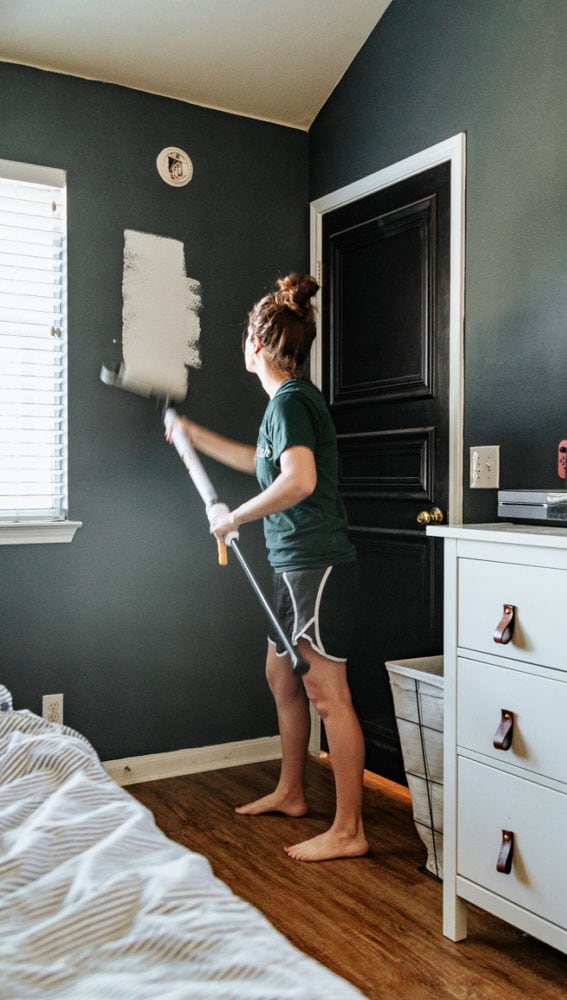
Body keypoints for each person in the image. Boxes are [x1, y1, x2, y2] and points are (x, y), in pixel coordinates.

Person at [166, 273, 367, 862]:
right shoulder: (289, 403)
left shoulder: (292, 403)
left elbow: (298, 480)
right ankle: (291, 790)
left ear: (257, 344)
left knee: (329, 696)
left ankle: (350, 828)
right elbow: (264, 463)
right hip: (292, 566)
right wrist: (193, 436)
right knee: (282, 676)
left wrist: (235, 520)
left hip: (316, 566)